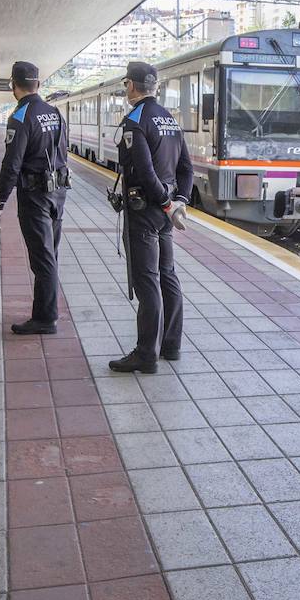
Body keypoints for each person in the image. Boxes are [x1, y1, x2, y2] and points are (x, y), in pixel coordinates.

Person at [109, 61, 194, 374]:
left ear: (131, 85)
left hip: (146, 211)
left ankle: (146, 354)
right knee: (167, 275)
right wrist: (178, 202)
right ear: (154, 86)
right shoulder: (170, 119)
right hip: (163, 212)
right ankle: (170, 346)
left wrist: (165, 204)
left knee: (148, 282)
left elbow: (144, 171)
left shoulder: (135, 120)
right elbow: (186, 168)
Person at [0, 61, 70, 335]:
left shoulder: (21, 116)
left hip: (35, 195)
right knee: (51, 254)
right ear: (39, 83)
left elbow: (12, 164)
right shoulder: (55, 112)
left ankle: (46, 318)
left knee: (42, 258)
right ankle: (44, 313)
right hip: (58, 193)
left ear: (13, 85)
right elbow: (63, 153)